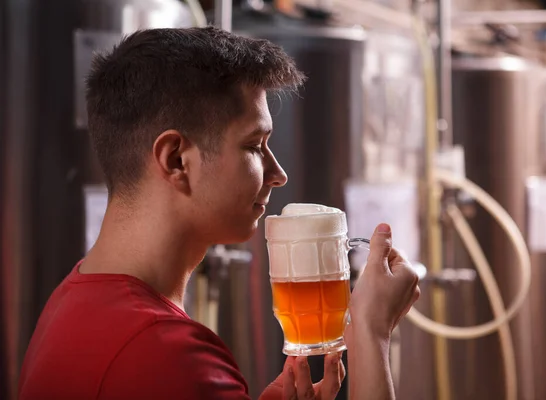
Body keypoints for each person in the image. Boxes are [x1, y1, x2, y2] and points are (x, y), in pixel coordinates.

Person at [18, 27, 420, 400]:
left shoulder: (71, 301)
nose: (278, 174)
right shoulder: (165, 353)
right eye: (254, 145)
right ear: (176, 159)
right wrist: (370, 334)